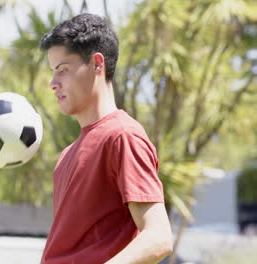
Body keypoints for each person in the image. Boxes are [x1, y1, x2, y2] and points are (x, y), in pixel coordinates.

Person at [39, 13, 173, 264]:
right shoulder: (66, 155)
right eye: (52, 72)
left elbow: (158, 236)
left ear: (97, 64)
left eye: (63, 70)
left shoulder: (123, 136)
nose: (53, 83)